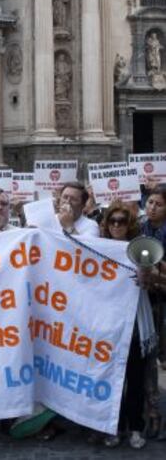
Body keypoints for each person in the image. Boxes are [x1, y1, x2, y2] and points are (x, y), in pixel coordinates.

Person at [98, 201, 152, 449]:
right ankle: (115, 427)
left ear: (129, 224)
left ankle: (136, 428)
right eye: (112, 221)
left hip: (134, 325)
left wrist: (145, 276)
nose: (116, 225)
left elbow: (151, 283)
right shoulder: (97, 248)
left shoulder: (138, 248)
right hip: (107, 325)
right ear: (107, 224)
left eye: (121, 221)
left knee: (135, 378)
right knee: (111, 379)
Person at [140, 185, 166, 436]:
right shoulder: (142, 228)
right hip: (149, 301)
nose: (152, 208)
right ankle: (151, 411)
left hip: (162, 300)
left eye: (158, 204)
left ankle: (156, 413)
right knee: (149, 360)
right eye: (149, 203)